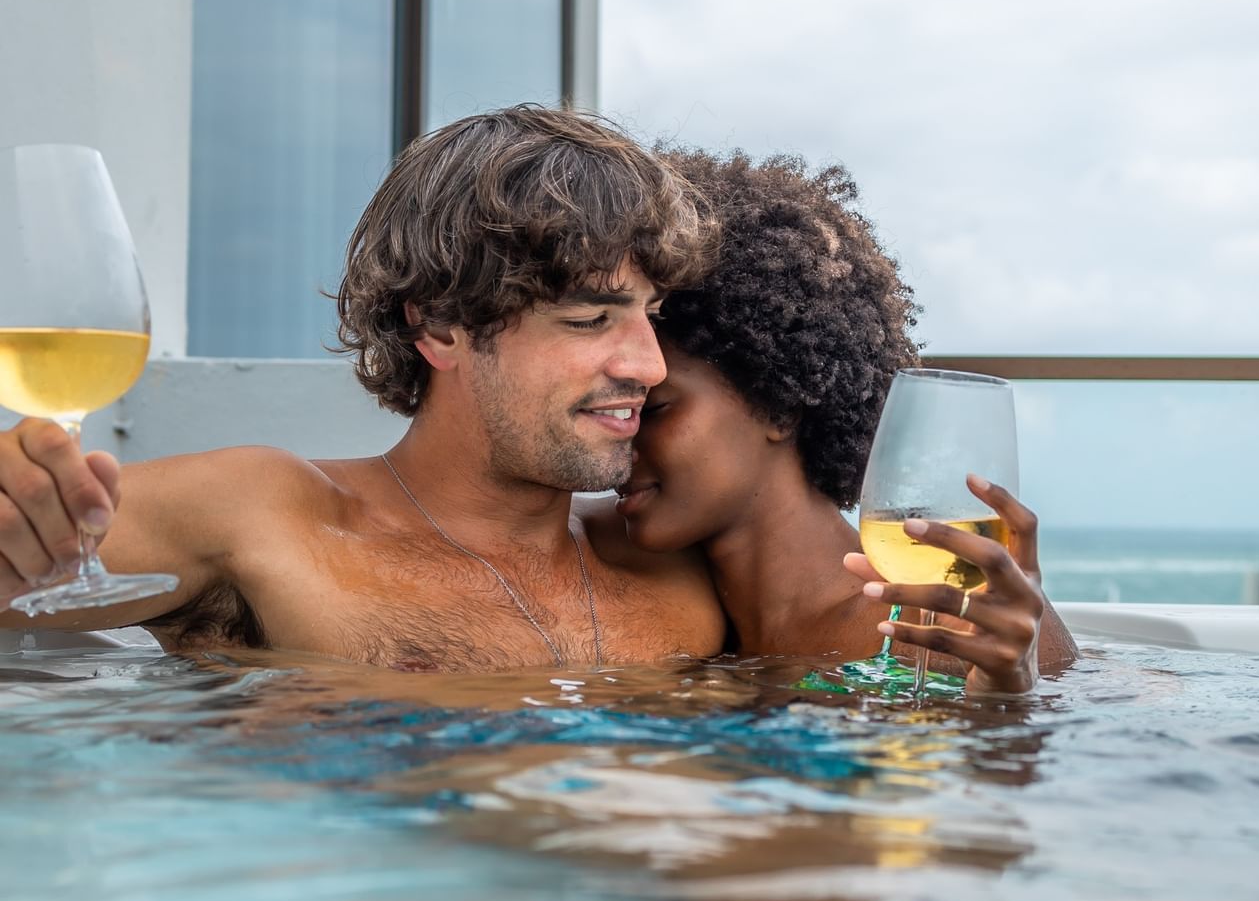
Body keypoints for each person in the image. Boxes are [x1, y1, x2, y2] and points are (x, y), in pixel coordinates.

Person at [0, 108, 725, 670]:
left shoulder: (680, 556)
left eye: (650, 316)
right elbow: (33, 551)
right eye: (589, 318)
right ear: (439, 326)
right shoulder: (263, 518)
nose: (649, 365)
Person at [598, 148, 1076, 693]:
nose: (624, 435)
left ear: (777, 403)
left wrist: (1006, 697)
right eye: (614, 407)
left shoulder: (942, 630)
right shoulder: (652, 611)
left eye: (653, 408)